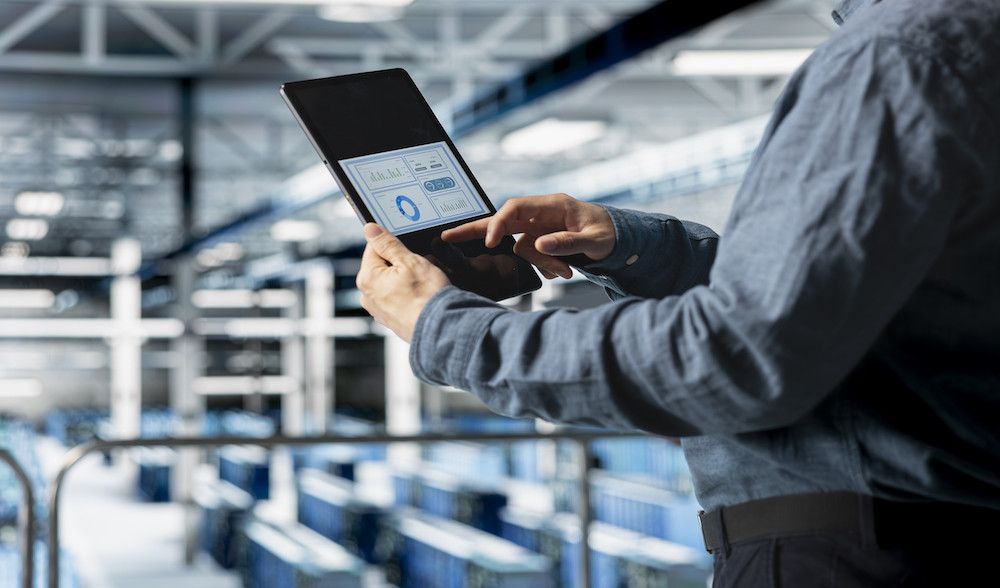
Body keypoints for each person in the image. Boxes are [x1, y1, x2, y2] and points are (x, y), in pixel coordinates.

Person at [356, 0, 1000, 584]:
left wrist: (452, 333)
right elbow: (832, 307)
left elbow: (740, 355)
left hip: (852, 553)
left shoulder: (902, 56)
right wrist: (632, 244)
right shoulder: (957, 45)